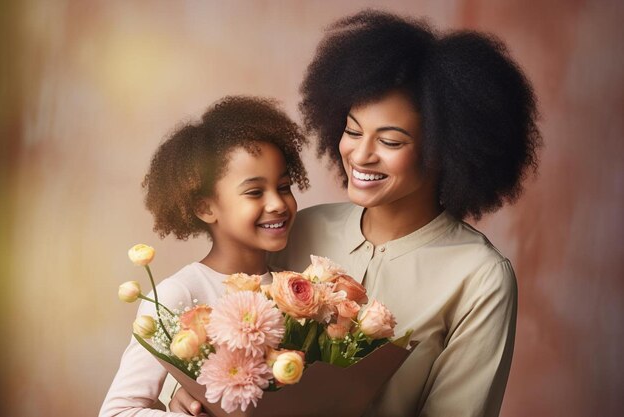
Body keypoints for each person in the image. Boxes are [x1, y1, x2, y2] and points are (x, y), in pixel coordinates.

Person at [170, 9, 541, 417]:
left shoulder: (480, 277)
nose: (361, 155)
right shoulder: (299, 227)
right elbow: (224, 332)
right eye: (352, 130)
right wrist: (187, 392)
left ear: (444, 151)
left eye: (391, 141)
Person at [99, 96, 309, 417]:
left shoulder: (295, 290)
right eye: (255, 191)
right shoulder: (178, 294)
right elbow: (118, 411)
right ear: (205, 207)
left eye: (284, 186)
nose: (278, 203)